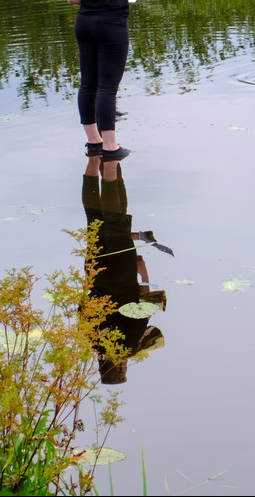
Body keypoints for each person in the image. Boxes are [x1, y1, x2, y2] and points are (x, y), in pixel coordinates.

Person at [63, 0, 139, 161]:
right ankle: (110, 146)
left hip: (85, 25)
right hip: (111, 27)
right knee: (107, 88)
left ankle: (93, 142)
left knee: (88, 84)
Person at [82, 156, 164, 384]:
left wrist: (144, 274)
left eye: (124, 370)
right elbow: (83, 305)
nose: (126, 364)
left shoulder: (127, 346)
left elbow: (143, 309)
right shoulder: (92, 340)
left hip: (123, 274)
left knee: (116, 217)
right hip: (97, 270)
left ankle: (110, 161)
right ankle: (95, 159)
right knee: (94, 217)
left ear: (118, 368)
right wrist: (89, 275)